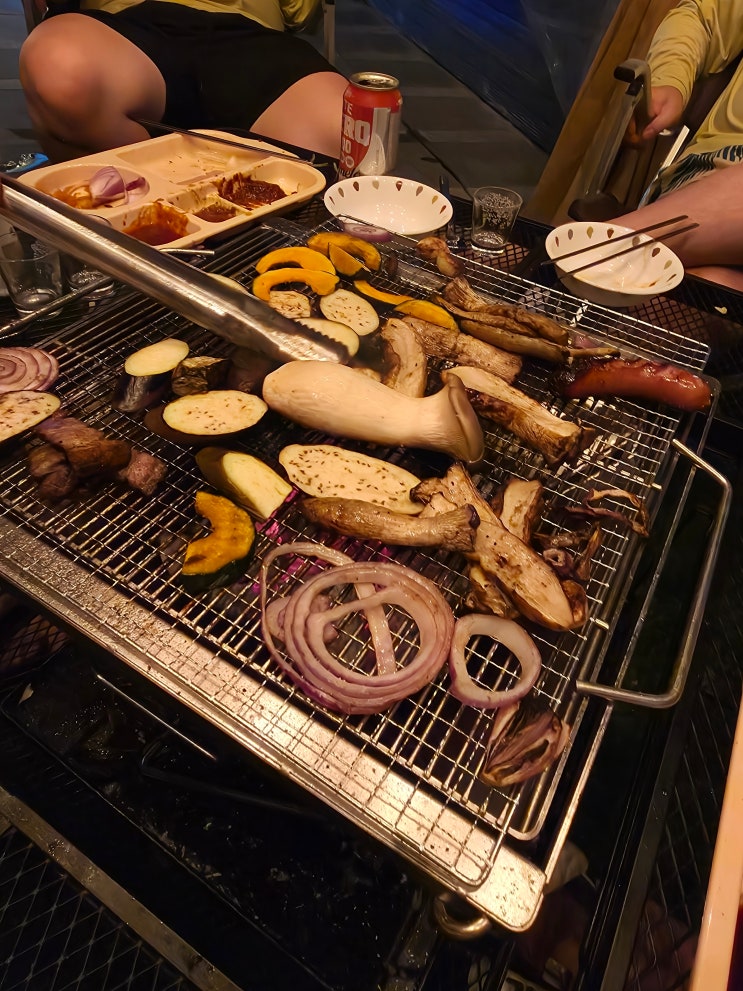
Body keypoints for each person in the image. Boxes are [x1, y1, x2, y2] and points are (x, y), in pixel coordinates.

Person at [18, 0, 348, 163]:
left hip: (253, 37)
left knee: (348, 136)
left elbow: (299, 13)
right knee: (62, 71)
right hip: (126, 29)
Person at [616, 0, 743, 289]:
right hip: (710, 175)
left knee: (687, 288)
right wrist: (671, 79)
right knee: (702, 287)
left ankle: (583, 251)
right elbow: (703, 17)